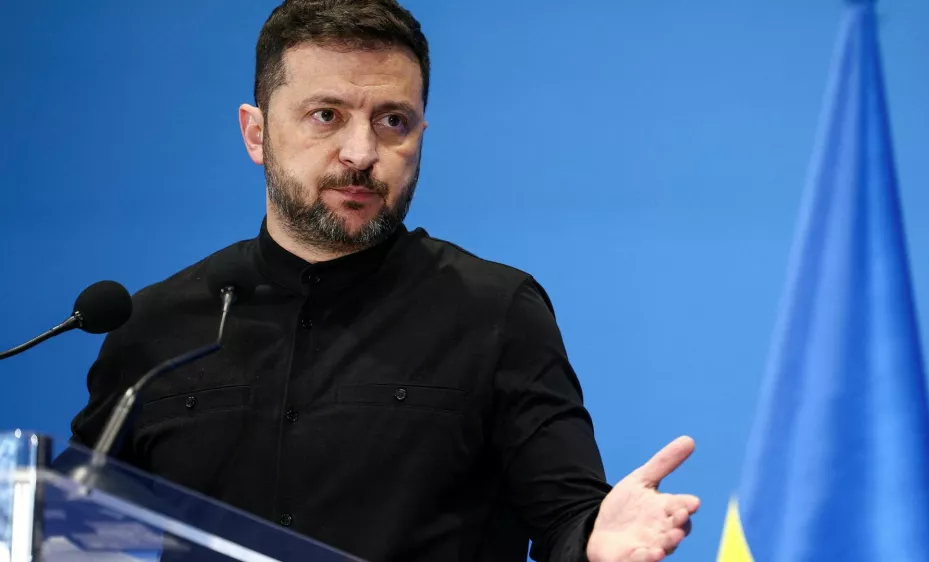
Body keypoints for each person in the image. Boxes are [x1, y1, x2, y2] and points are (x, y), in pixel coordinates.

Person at [66, 1, 700, 560]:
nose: (362, 153)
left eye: (393, 120)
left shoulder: (494, 312)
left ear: (421, 132)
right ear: (256, 133)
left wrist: (595, 543)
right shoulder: (152, 328)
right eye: (326, 115)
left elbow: (567, 519)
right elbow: (73, 534)